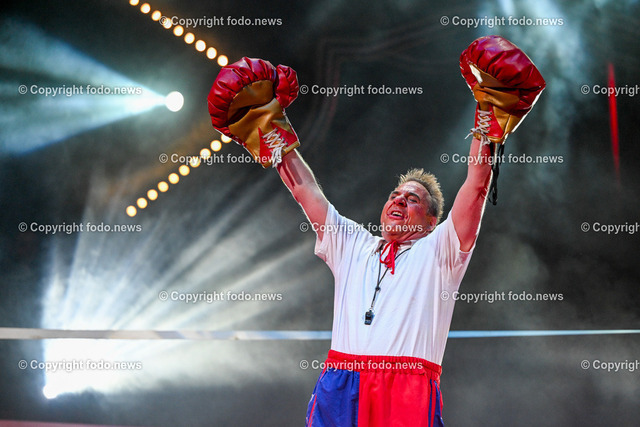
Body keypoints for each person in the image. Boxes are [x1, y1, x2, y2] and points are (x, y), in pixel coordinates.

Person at [207, 35, 545, 427]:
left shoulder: (442, 250)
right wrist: (270, 130)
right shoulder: (352, 243)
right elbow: (305, 191)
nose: (399, 200)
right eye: (395, 195)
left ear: (431, 221)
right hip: (341, 384)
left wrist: (488, 120)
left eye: (413, 199)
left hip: (407, 391)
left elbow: (476, 185)